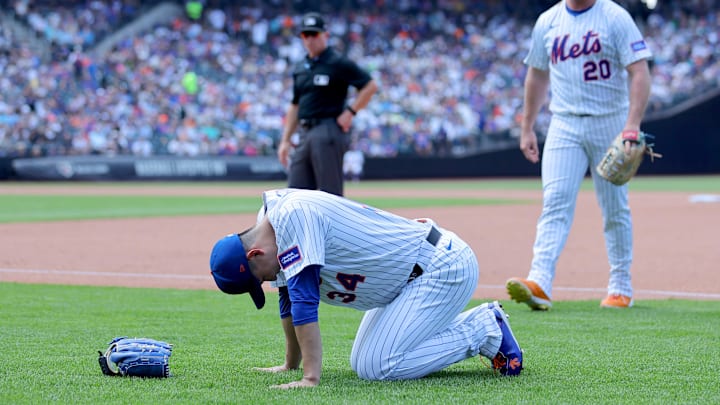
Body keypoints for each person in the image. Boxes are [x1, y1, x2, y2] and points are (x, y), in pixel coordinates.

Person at [209, 188, 524, 389]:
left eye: (258, 278)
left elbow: (305, 300)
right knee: (364, 364)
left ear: (254, 254)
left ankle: (483, 329)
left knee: (380, 366)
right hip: (405, 281)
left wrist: (310, 378)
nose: (264, 281)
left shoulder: (293, 216)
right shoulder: (270, 230)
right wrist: (291, 364)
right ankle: (478, 327)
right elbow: (288, 298)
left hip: (440, 268)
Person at [507, 0, 652, 310]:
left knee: (614, 208)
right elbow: (536, 74)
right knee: (555, 200)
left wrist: (631, 126)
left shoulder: (614, 17)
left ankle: (620, 286)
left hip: (609, 122)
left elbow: (639, 71)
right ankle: (540, 282)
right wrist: (528, 126)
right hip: (564, 123)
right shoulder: (548, 21)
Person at [276, 12, 378, 196]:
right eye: (305, 35)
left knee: (330, 196)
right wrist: (285, 140)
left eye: (314, 34)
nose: (310, 39)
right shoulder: (301, 67)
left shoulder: (337, 62)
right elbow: (295, 105)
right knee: (293, 196)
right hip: (304, 133)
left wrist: (350, 111)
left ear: (326, 35)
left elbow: (370, 85)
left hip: (328, 129)